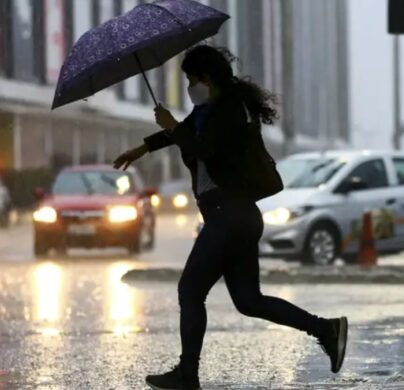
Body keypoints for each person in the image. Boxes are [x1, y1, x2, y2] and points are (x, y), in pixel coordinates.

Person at [113, 45, 348, 390]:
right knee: (249, 300)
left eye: (192, 78)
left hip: (229, 215)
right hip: (235, 216)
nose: (191, 85)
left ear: (208, 77)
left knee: (190, 290)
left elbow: (203, 147)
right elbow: (184, 133)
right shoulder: (210, 109)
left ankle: (187, 374)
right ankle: (326, 329)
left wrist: (174, 127)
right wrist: (143, 147)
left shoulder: (230, 111)